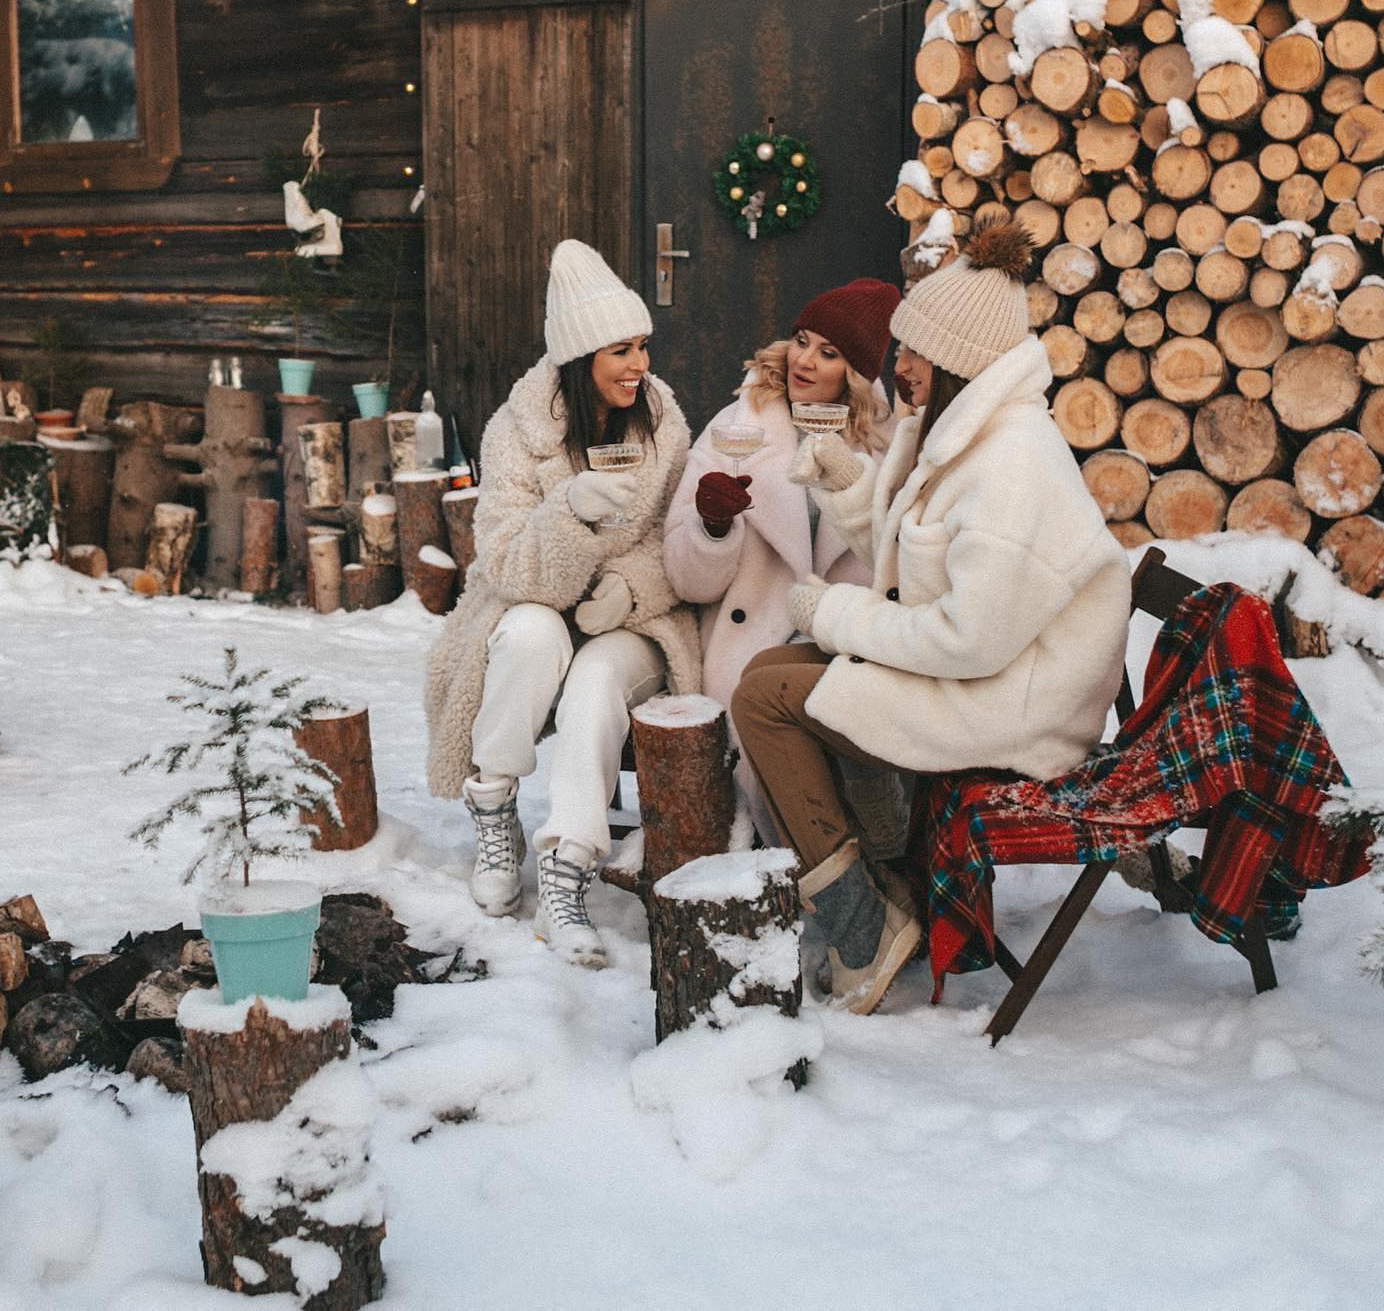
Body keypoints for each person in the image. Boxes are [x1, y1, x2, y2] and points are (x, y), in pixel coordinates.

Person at [731, 219, 1132, 1015]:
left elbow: (965, 638)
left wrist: (836, 614)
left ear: (957, 358)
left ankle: (863, 923)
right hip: (986, 677)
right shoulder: (966, 432)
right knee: (766, 672)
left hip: (1015, 708)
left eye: (913, 350)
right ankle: (883, 882)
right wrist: (849, 484)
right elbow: (918, 561)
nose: (898, 364)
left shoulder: (1012, 463)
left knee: (765, 699)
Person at [425, 240, 699, 968]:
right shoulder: (516, 432)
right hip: (536, 603)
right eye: (621, 350)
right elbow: (505, 562)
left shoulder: (663, 422)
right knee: (527, 633)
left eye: (643, 345)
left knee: (596, 677)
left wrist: (631, 587)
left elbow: (675, 538)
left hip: (631, 619)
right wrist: (569, 512)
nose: (640, 364)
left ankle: (566, 867)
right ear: (580, 358)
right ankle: (494, 809)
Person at [661, 279, 901, 844]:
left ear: (855, 374)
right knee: (764, 705)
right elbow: (686, 579)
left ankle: (865, 858)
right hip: (751, 640)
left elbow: (897, 566)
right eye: (801, 340)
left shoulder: (884, 445)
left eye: (828, 352)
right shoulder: (735, 429)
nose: (804, 361)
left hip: (843, 636)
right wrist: (712, 528)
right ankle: (813, 865)